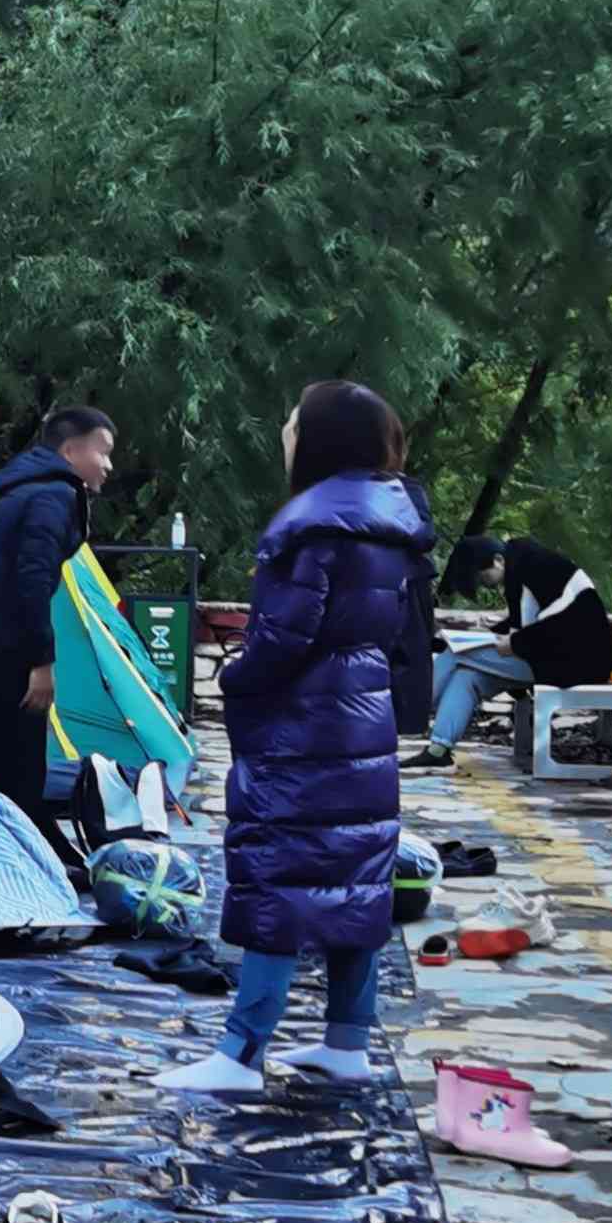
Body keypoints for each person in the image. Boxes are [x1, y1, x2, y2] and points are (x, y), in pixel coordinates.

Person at [160, 380, 434, 1094]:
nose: (283, 430)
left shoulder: (308, 524)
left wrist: (236, 679)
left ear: (319, 438)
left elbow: (283, 638)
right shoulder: (390, 517)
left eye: (291, 420)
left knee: (274, 876)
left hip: (303, 722)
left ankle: (240, 1053)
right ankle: (346, 1042)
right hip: (361, 716)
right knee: (354, 877)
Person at [0, 405, 117, 827]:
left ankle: (14, 843)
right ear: (72, 451)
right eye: (104, 452)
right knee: (18, 764)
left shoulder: (22, 488)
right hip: (1, 650)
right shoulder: (53, 495)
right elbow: (32, 579)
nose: (109, 465)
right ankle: (21, 856)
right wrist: (41, 662)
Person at [427, 534, 612, 748]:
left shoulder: (535, 567)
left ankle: (412, 714)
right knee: (467, 676)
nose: (484, 584)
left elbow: (561, 628)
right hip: (553, 658)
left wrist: (515, 644)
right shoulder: (524, 567)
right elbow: (527, 623)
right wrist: (492, 634)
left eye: (482, 577)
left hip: (578, 663)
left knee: (456, 652)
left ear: (499, 559)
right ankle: (438, 749)